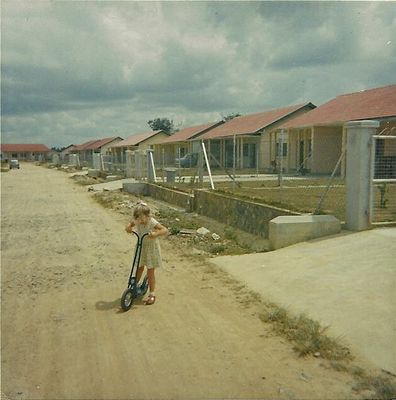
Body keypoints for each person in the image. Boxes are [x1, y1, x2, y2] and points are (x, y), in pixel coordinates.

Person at [125, 202, 168, 305]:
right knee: (139, 268)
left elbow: (164, 230)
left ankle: (152, 294)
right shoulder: (138, 220)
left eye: (141, 218)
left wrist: (155, 234)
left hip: (151, 249)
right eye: (138, 218)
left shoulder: (152, 221)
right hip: (141, 247)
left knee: (150, 272)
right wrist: (128, 228)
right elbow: (130, 225)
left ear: (147, 216)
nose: (140, 221)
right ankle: (134, 286)